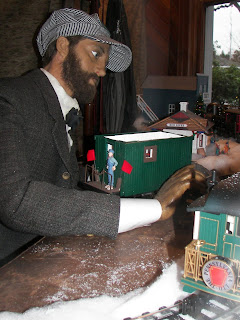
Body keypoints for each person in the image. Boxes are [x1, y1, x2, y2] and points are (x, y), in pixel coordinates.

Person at [0, 8, 207, 262]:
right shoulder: (8, 99)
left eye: (105, 62)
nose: (102, 71)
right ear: (63, 46)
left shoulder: (61, 108)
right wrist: (153, 208)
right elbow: (17, 201)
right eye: (95, 54)